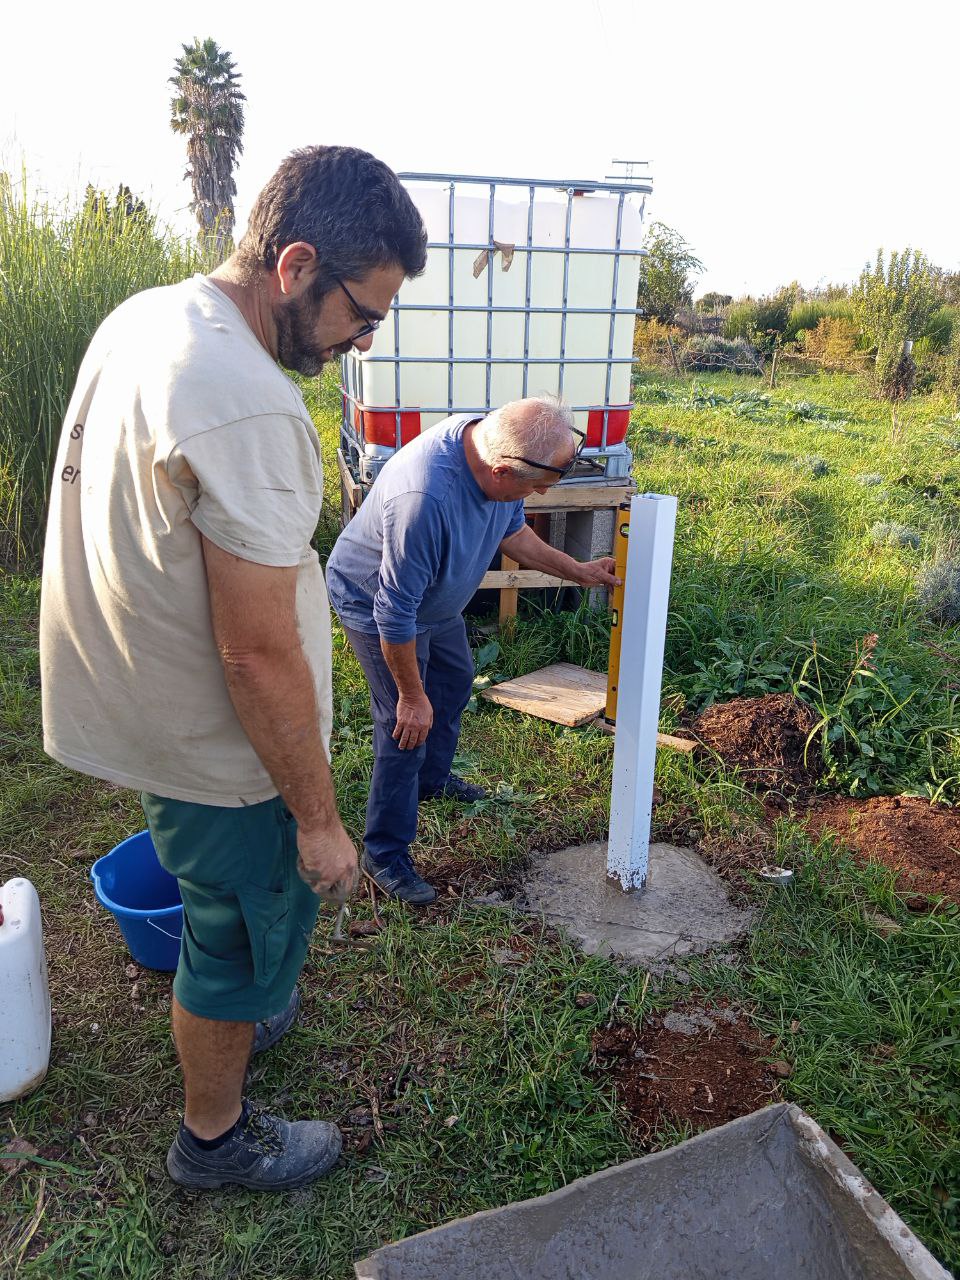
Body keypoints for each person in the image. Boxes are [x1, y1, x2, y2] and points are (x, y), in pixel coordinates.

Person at [39, 145, 427, 1191]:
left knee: (239, 910)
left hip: (145, 692)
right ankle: (215, 1137)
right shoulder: (247, 400)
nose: (362, 342)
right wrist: (317, 818)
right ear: (295, 265)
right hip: (226, 742)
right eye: (363, 312)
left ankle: (257, 992)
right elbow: (256, 653)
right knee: (234, 926)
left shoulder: (153, 316)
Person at [325, 397, 619, 905]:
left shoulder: (490, 444)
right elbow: (394, 614)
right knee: (405, 726)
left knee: (455, 683)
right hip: (377, 604)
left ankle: (433, 781)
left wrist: (580, 571)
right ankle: (384, 853)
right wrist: (411, 697)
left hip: (434, 605)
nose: (540, 495)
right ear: (503, 471)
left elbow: (516, 533)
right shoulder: (425, 498)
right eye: (535, 487)